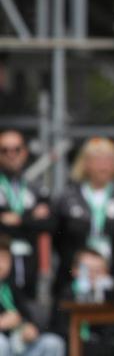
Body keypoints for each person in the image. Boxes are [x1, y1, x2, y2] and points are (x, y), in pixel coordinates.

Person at [51, 137, 114, 301]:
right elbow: (58, 238)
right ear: (85, 164)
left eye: (109, 160)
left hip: (113, 278)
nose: (103, 165)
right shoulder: (68, 197)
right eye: (97, 160)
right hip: (73, 277)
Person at [0, 235, 65, 356]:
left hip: (18, 345)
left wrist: (30, 327)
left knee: (52, 344)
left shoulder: (10, 287)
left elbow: (28, 314)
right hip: (3, 345)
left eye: (5, 259)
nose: (2, 264)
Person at [0, 129, 53, 302]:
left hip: (30, 263)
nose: (11, 155)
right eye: (4, 150)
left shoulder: (35, 186)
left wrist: (17, 219)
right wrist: (31, 217)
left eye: (16, 149)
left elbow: (48, 223)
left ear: (24, 152)